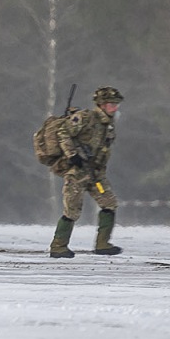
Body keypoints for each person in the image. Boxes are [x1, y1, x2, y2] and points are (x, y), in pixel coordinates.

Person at [51, 85, 124, 257]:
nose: (114, 108)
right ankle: (58, 247)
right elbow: (63, 132)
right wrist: (72, 155)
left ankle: (102, 244)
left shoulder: (109, 125)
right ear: (101, 104)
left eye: (116, 104)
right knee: (72, 209)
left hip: (95, 175)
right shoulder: (85, 118)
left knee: (109, 203)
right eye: (110, 104)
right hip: (77, 172)